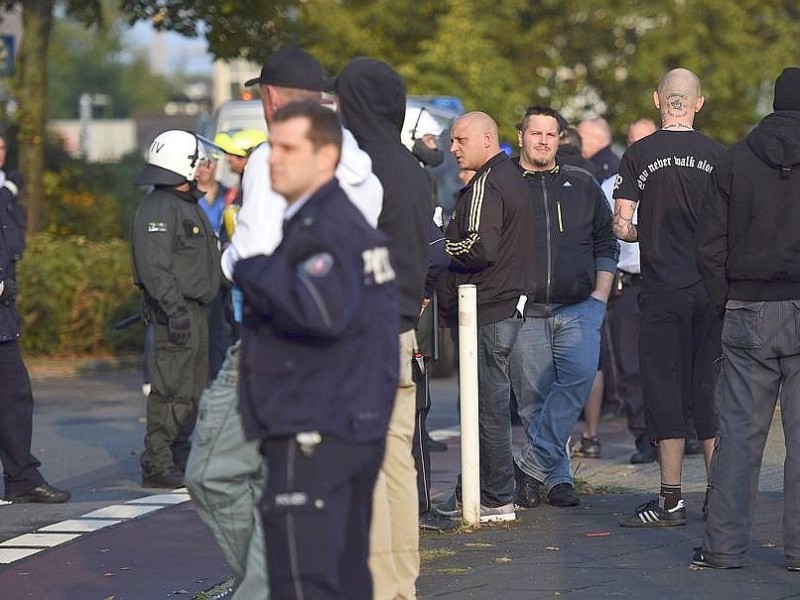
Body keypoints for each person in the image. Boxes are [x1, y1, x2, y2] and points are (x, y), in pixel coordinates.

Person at [184, 47, 383, 600]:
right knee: (289, 483)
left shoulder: (281, 158)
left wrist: (231, 258)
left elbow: (251, 257)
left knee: (212, 473)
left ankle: (267, 585)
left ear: (268, 98)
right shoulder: (352, 156)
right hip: (340, 347)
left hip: (271, 343)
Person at [233, 99, 399, 600]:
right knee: (345, 576)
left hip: (314, 426)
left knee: (305, 583)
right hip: (348, 421)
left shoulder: (325, 228)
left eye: (288, 148)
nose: (272, 159)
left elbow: (321, 311)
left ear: (325, 158)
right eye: (271, 147)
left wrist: (252, 267)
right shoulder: (342, 222)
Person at [692, 67, 800, 570]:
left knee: (738, 435)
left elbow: (709, 245)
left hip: (747, 307)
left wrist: (726, 299)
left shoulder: (735, 159)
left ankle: (724, 547)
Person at [334, 57, 431, 599]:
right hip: (399, 332)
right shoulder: (412, 169)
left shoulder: (359, 169)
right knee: (396, 466)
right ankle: (398, 586)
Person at [614, 68, 725, 528]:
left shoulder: (638, 154)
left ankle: (670, 500)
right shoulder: (721, 157)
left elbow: (622, 226)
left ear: (658, 99)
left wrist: (649, 233)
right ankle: (720, 499)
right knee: (709, 392)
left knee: (663, 388)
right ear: (698, 103)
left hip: (660, 289)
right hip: (710, 290)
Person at [509, 106, 617, 509]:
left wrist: (600, 297)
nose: (542, 141)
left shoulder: (582, 184)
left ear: (560, 140)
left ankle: (531, 466)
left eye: (550, 135)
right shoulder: (503, 184)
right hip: (526, 309)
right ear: (521, 136)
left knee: (578, 380)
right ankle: (556, 479)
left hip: (579, 307)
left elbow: (607, 241)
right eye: (535, 133)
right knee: (533, 401)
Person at [435, 111, 535, 524]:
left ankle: (494, 497)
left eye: (459, 140)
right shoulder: (510, 178)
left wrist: (439, 247)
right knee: (489, 404)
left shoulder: (488, 182)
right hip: (503, 304)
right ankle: (483, 491)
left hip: (488, 307)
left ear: (487, 138)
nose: (452, 149)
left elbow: (480, 247)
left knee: (486, 406)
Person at [130, 129, 222, 489]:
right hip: (177, 314)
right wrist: (175, 310)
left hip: (195, 311)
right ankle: (157, 463)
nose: (202, 167)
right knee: (171, 389)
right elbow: (155, 266)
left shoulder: (184, 203)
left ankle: (178, 458)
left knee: (193, 389)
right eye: (197, 161)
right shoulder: (160, 208)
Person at [0, 133, 70, 505]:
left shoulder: (4, 193)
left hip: (3, 319)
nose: (0, 153)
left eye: (1, 146)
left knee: (14, 395)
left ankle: (22, 477)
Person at [602, 117, 657, 464]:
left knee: (676, 360)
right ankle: (643, 437)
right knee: (631, 366)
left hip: (665, 281)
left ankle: (689, 432)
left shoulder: (671, 180)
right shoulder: (609, 186)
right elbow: (604, 241)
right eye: (634, 140)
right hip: (629, 285)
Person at [194, 153, 235, 379]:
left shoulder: (229, 194)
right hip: (198, 271)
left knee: (221, 327)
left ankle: (218, 373)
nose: (203, 169)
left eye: (208, 164)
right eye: (199, 164)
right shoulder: (188, 197)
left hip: (223, 271)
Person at [577, 117, 620, 181]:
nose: (576, 142)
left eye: (580, 138)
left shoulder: (603, 168)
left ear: (600, 139)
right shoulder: (614, 162)